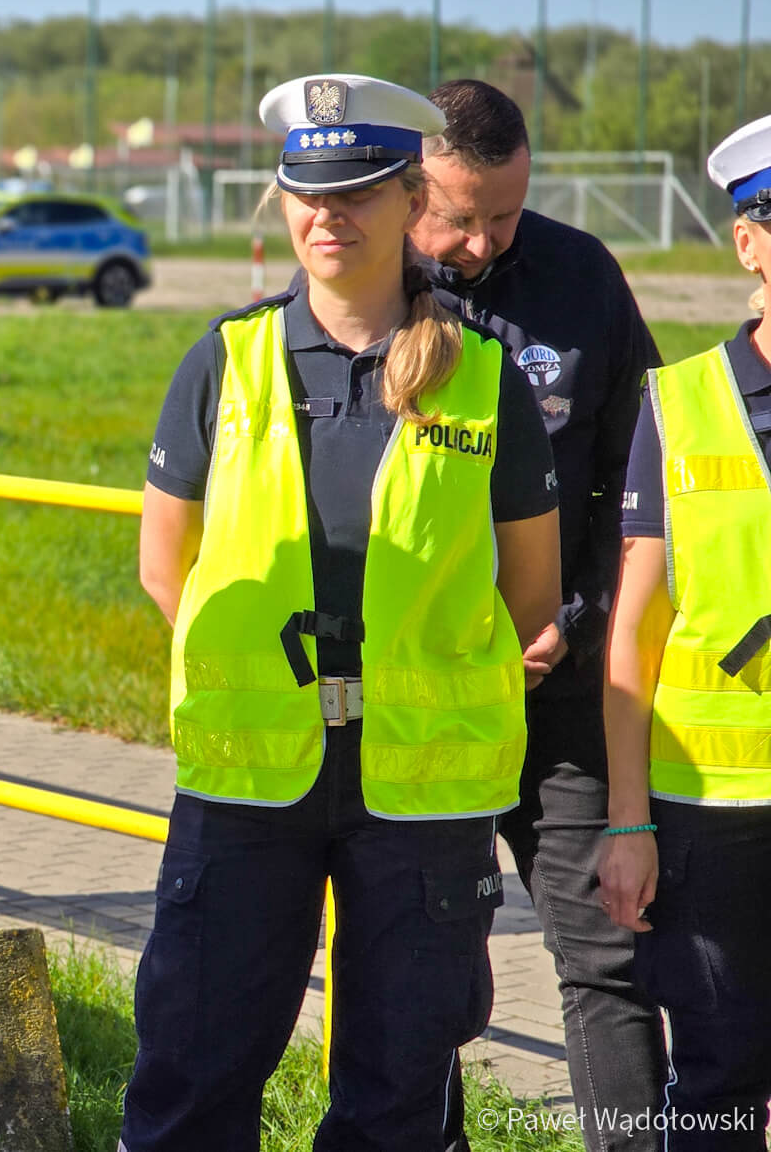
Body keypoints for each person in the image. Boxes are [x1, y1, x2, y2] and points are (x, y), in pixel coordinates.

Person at [126, 74, 562, 1151]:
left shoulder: (484, 378)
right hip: (248, 779)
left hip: (420, 790)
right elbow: (166, 567)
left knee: (395, 1098)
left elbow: (529, 593)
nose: (329, 215)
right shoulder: (222, 361)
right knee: (189, 1077)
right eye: (307, 192)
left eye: (358, 190)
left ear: (412, 198)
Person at [411, 79, 665, 1152]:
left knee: (606, 955)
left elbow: (637, 479)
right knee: (417, 962)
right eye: (457, 217)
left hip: (555, 690)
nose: (480, 243)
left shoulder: (580, 276)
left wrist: (577, 613)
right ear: (407, 188)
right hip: (417, 701)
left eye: (504, 215)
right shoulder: (367, 289)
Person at [597, 115, 771, 1152]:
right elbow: (633, 631)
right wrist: (627, 826)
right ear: (747, 243)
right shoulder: (679, 404)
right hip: (711, 810)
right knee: (717, 1072)